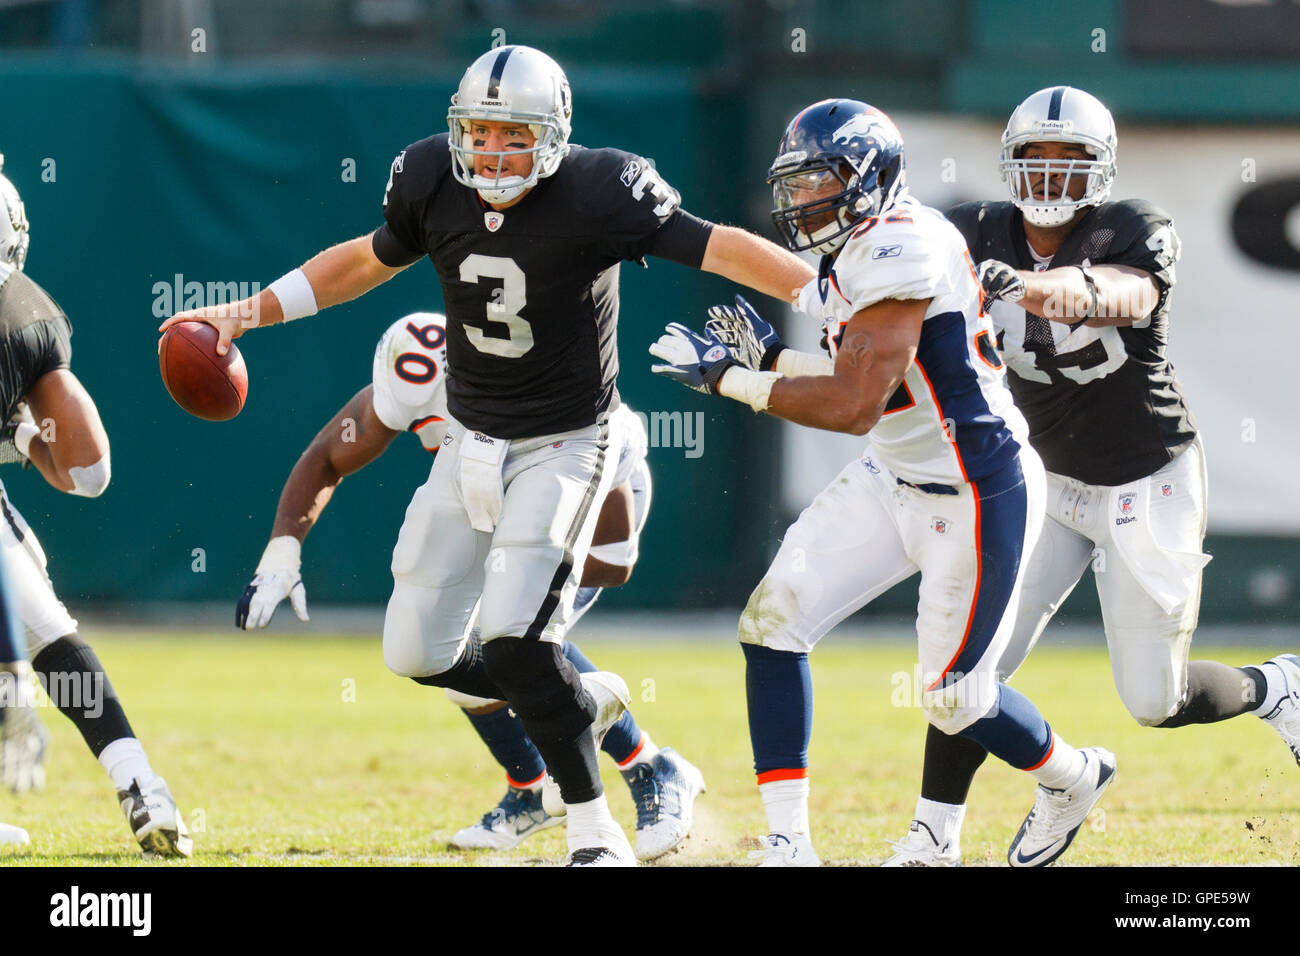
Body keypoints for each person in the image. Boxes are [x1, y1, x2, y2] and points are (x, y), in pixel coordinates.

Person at [162, 44, 814, 865]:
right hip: (470, 439)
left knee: (516, 642)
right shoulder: (431, 176)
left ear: (552, 135)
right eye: (479, 133)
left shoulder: (601, 186)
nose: (492, 153)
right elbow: (364, 261)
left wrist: (819, 295)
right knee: (416, 651)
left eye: (513, 136)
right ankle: (587, 702)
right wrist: (253, 312)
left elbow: (716, 245)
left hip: (570, 442)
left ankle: (592, 829)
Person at [651, 97, 1112, 867]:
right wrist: (766, 366)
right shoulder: (852, 248)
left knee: (955, 700)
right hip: (892, 477)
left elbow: (855, 403)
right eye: (792, 186)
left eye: (817, 182)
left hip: (975, 492)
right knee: (771, 626)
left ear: (872, 177)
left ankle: (1074, 774)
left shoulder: (902, 245)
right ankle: (789, 845)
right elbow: (874, 383)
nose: (801, 202)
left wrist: (733, 380)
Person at [880, 86, 1300, 866]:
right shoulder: (970, 229)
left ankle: (1276, 687)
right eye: (1034, 160)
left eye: (1067, 161)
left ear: (1101, 169)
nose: (1048, 177)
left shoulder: (1133, 229)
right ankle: (935, 833)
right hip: (1042, 481)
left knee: (1155, 701)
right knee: (965, 669)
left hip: (1147, 478)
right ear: (1009, 164)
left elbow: (1119, 293)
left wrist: (1024, 286)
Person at [235, 311, 705, 860]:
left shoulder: (554, 387)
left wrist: (504, 590)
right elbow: (325, 458)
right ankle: (531, 788)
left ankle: (652, 766)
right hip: (500, 514)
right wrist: (281, 552)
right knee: (457, 655)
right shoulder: (417, 381)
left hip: (584, 502)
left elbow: (614, 562)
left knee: (515, 643)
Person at [0, 156, 190, 857]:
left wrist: (23, 430)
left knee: (40, 616)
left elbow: (87, 473)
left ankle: (138, 780)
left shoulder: (22, 325)